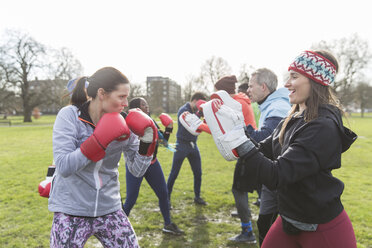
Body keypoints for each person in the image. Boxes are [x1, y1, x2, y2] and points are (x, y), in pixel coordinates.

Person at [210, 50, 358, 248]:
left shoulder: (322, 127)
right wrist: (237, 130)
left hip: (321, 226)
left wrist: (240, 140)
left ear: (315, 81)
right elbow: (261, 151)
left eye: (294, 77)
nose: (287, 84)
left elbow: (277, 175)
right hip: (289, 218)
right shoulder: (292, 117)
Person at [49, 67, 158, 247]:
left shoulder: (126, 123)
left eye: (126, 97)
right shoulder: (70, 116)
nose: (126, 103)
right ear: (102, 93)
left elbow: (137, 171)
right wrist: (98, 141)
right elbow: (63, 166)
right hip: (71, 209)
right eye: (121, 97)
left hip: (109, 208)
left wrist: (147, 143)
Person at [231, 68, 291, 245]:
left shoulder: (278, 106)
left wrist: (237, 125)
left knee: (274, 229)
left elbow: (263, 141)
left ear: (263, 87)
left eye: (250, 86)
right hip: (272, 177)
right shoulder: (269, 104)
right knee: (265, 225)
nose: (247, 90)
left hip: (282, 179)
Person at [122, 97, 184, 235]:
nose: (147, 106)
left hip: (152, 163)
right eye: (144, 104)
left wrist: (168, 128)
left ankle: (168, 224)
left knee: (163, 193)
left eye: (147, 103)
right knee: (131, 199)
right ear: (136, 108)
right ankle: (117, 226)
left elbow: (162, 142)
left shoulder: (150, 122)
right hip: (135, 165)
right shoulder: (128, 124)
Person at [213, 75, 258, 243]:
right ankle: (248, 218)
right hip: (251, 148)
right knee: (250, 188)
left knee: (238, 189)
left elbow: (224, 132)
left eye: (217, 91)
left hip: (247, 150)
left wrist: (199, 125)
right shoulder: (240, 101)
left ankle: (247, 232)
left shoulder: (235, 105)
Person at [167, 92, 208, 207]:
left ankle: (197, 197)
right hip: (181, 145)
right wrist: (199, 113)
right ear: (194, 101)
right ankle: (167, 199)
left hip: (193, 145)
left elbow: (202, 124)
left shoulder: (197, 111)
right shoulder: (183, 110)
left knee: (198, 172)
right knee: (174, 173)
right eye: (199, 104)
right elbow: (191, 124)